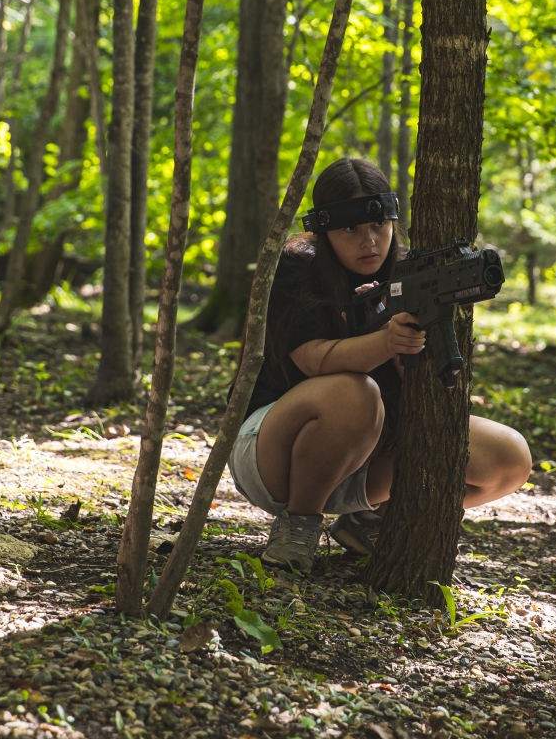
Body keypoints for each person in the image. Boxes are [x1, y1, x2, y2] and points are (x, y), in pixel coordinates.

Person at [228, 157, 533, 569]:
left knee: (508, 457)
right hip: (271, 454)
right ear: (324, 230)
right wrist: (385, 341)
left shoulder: (404, 272)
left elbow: (417, 389)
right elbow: (312, 359)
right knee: (354, 393)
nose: (369, 241)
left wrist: (410, 343)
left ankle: (367, 520)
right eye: (350, 230)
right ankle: (298, 525)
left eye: (378, 225)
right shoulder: (297, 265)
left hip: (364, 462)